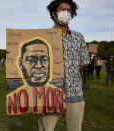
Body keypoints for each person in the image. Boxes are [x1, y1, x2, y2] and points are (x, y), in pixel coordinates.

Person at [41, 0, 90, 131]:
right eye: (63, 9)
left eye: (69, 10)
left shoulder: (79, 37)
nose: (66, 13)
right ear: (54, 13)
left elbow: (84, 62)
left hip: (75, 93)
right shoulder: (43, 37)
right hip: (49, 94)